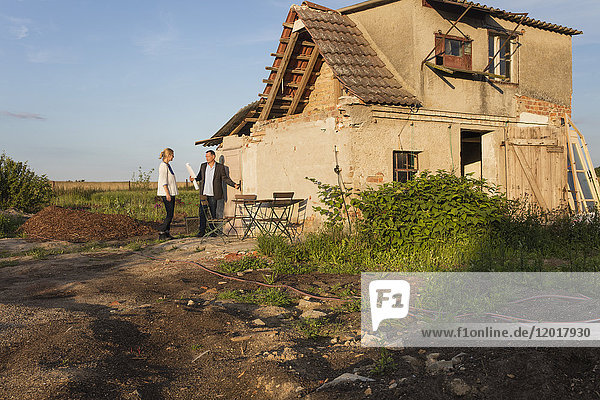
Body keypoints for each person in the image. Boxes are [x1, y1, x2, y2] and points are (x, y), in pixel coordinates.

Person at [190, 150, 240, 237]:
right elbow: (199, 177)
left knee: (213, 214)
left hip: (214, 194)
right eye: (206, 156)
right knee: (202, 213)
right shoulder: (203, 166)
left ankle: (213, 232)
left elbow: (225, 178)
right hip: (204, 194)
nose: (206, 158)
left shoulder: (220, 167)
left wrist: (234, 184)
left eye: (208, 156)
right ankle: (201, 232)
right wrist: (193, 179)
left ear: (213, 157)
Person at [157, 148, 178, 240]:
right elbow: (163, 181)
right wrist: (167, 193)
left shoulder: (168, 165)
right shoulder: (163, 166)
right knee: (169, 214)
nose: (173, 157)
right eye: (172, 155)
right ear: (169, 155)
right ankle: (162, 232)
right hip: (167, 193)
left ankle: (167, 232)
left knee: (171, 214)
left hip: (171, 192)